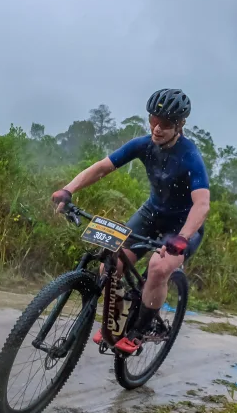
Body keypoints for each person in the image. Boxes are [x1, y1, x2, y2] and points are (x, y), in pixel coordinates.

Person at [51, 88, 211, 354]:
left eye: (165, 124)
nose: (157, 129)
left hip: (182, 226)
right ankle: (113, 325)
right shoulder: (143, 145)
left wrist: (182, 237)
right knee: (109, 267)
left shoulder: (190, 155)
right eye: (153, 121)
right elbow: (102, 167)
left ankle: (143, 329)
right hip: (151, 214)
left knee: (159, 268)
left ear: (180, 125)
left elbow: (202, 204)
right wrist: (68, 190)